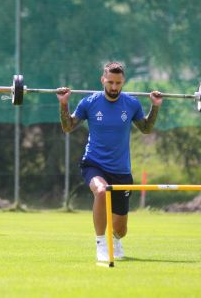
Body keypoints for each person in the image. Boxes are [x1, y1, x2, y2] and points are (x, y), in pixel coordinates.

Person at [56, 62, 163, 261]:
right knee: (101, 191)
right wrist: (63, 103)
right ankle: (101, 244)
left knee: (121, 229)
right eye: (110, 82)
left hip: (121, 170)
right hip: (94, 163)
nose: (114, 87)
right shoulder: (89, 103)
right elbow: (68, 127)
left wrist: (154, 107)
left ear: (123, 82)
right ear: (102, 80)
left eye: (118, 83)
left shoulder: (131, 104)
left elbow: (146, 128)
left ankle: (115, 239)